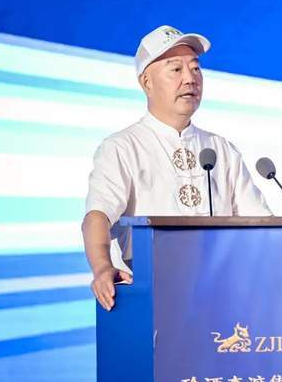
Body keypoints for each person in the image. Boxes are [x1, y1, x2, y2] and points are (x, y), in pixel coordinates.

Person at [82, 25, 271, 311]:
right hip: (152, 301)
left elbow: (263, 225)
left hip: (225, 299)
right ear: (146, 82)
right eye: (176, 69)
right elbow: (97, 216)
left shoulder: (222, 149)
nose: (190, 79)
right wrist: (101, 267)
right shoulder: (122, 147)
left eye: (195, 69)